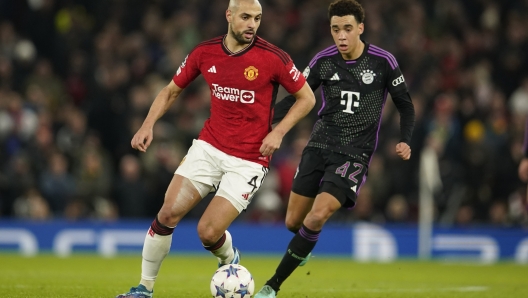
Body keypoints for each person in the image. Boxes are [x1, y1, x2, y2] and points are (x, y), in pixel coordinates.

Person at [116, 0, 316, 297]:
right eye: (246, 17)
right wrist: (148, 124)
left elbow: (307, 98)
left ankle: (228, 259)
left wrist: (279, 132)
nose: (252, 24)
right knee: (168, 213)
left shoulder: (273, 57)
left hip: (248, 159)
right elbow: (171, 90)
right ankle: (144, 289)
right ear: (229, 15)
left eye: (257, 18)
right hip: (209, 147)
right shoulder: (204, 52)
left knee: (208, 233)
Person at [254, 0, 415, 297]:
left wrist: (405, 138)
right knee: (293, 222)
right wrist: (262, 122)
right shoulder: (323, 60)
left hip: (354, 153)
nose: (341, 36)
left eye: (348, 29)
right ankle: (304, 247)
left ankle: (271, 286)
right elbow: (296, 98)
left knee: (316, 216)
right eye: (335, 29)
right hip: (319, 144)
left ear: (361, 29)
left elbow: (405, 105)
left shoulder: (383, 61)